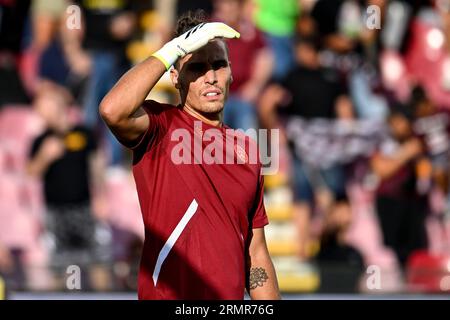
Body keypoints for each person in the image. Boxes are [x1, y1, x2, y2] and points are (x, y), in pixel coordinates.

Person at [99, 10, 280, 300]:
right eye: (196, 67)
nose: (210, 77)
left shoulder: (248, 150)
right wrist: (174, 48)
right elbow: (112, 110)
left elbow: (256, 254)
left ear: (231, 72)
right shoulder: (162, 125)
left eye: (219, 65)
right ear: (175, 76)